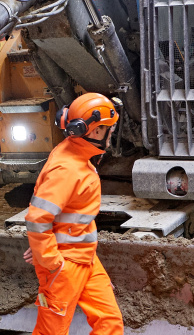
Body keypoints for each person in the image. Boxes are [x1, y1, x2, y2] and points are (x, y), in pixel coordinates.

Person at [22, 93, 123, 335]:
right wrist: (49, 260)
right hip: (65, 264)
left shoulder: (77, 154)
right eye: (110, 128)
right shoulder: (67, 169)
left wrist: (43, 248)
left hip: (85, 257)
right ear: (96, 132)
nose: (112, 134)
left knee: (109, 322)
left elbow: (62, 214)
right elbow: (37, 219)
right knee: (52, 331)